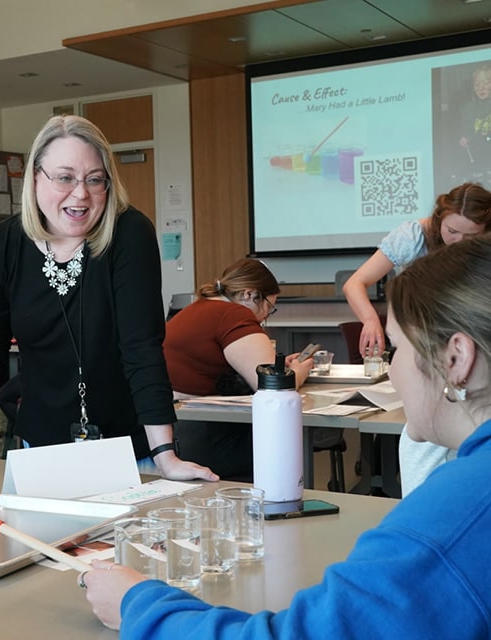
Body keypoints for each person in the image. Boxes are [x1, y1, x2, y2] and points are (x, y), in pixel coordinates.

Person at [82, 234, 491, 637]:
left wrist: (140, 605)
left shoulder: (456, 516)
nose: (392, 369)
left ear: (456, 358)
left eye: (396, 350)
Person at [0, 114, 217, 482]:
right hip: (42, 451)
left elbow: (142, 347)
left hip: (130, 450)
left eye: (95, 179)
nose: (81, 194)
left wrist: (165, 455)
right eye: (65, 177)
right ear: (36, 176)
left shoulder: (128, 234)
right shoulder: (4, 245)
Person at [343, 181, 491, 494]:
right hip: (433, 349)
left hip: (470, 359)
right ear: (439, 220)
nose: (458, 242)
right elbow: (356, 283)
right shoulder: (413, 237)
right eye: (452, 232)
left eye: (470, 237)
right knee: (422, 440)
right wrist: (371, 320)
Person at [162, 258, 313, 479]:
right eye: (269, 307)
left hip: (171, 429)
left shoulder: (198, 307)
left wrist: (279, 368)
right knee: (286, 434)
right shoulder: (234, 315)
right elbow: (272, 385)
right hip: (201, 435)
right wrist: (298, 372)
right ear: (249, 295)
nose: (263, 318)